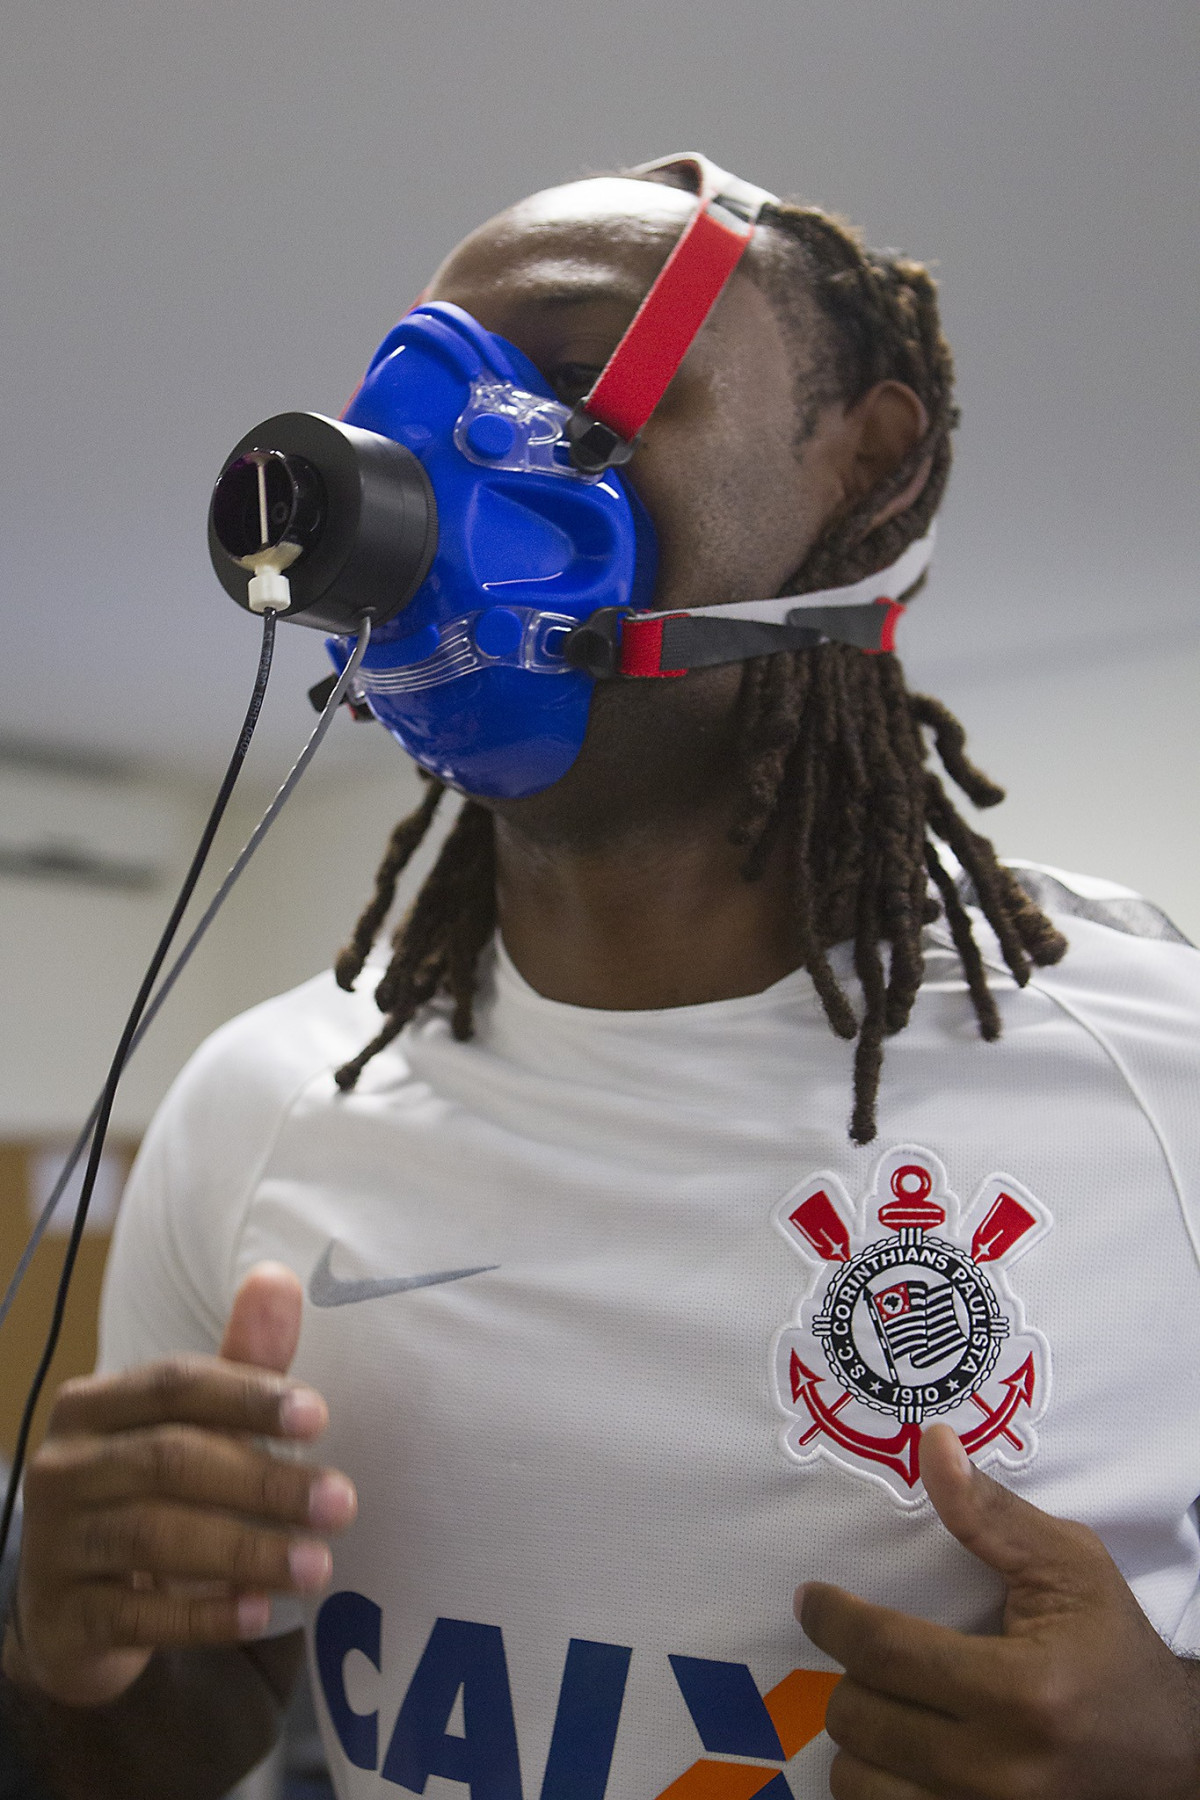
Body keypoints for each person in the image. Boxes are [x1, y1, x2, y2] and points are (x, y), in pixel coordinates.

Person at [4, 157, 1200, 1800]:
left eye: (570, 376)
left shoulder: (1166, 1086)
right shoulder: (263, 1109)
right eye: (407, 402)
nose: (431, 463)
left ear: (863, 462)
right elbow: (178, 1735)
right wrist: (70, 1651)